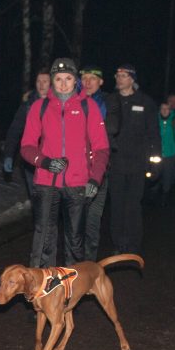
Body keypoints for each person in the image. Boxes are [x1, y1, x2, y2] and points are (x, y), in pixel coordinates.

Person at [20, 57, 109, 267]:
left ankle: (72, 289)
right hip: (46, 183)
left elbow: (102, 148)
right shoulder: (39, 107)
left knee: (75, 240)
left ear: (75, 80)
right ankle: (46, 289)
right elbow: (26, 146)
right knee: (45, 239)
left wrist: (95, 179)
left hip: (77, 184)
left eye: (68, 78)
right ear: (52, 81)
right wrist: (43, 161)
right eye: (58, 79)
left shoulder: (89, 107)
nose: (63, 83)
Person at [105, 63, 158, 254]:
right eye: (117, 75)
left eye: (123, 75)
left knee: (133, 204)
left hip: (137, 162)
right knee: (117, 204)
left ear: (132, 79)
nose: (119, 79)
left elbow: (153, 133)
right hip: (116, 162)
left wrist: (154, 162)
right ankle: (118, 243)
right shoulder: (110, 100)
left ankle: (133, 244)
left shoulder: (145, 102)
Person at [3, 68, 51, 198]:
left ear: (51, 83)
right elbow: (15, 130)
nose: (41, 85)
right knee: (37, 198)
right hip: (31, 160)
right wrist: (9, 155)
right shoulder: (28, 105)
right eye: (38, 81)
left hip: (53, 159)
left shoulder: (59, 103)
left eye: (45, 81)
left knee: (52, 201)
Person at [78, 63, 109, 261]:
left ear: (101, 82)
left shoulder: (108, 104)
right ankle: (74, 265)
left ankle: (89, 265)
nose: (88, 82)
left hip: (98, 171)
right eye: (85, 78)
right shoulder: (71, 101)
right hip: (76, 172)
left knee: (93, 220)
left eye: (93, 79)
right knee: (75, 221)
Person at [147, 99, 175, 206]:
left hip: (170, 153)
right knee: (154, 172)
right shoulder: (155, 120)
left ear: (170, 110)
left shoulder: (174, 120)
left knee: (168, 174)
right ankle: (153, 193)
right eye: (162, 108)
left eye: (167, 108)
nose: (164, 111)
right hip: (156, 153)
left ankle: (165, 194)